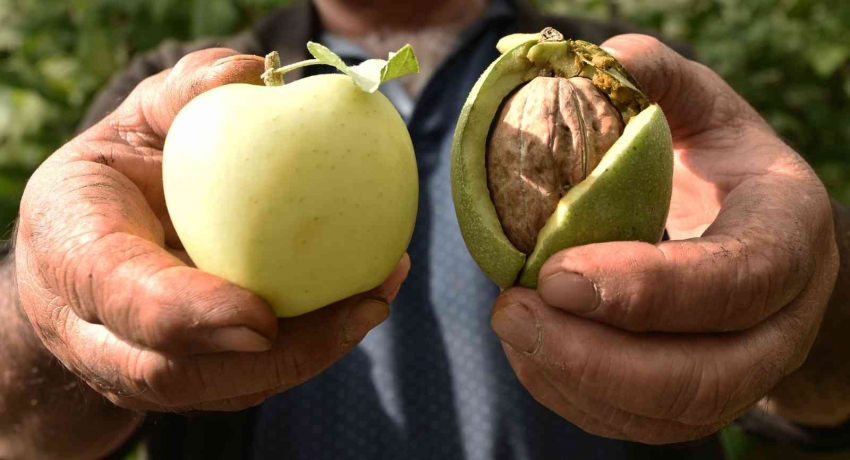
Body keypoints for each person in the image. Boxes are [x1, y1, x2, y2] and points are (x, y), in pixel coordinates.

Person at [1, 0, 849, 458]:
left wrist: (812, 290)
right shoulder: (176, 103)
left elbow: (828, 384)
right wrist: (47, 315)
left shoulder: (637, 89)